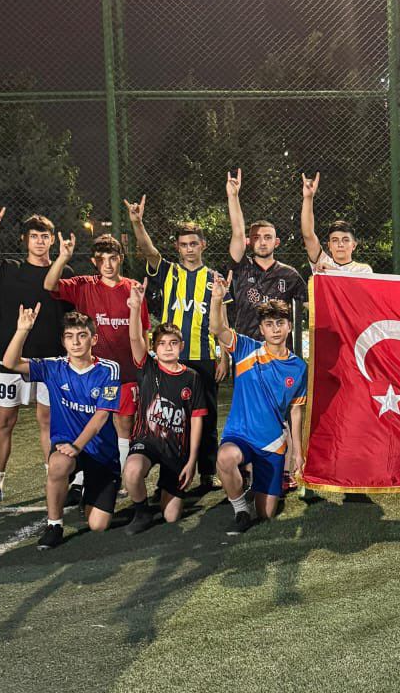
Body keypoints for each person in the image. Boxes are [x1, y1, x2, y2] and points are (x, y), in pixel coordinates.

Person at [0, 206, 63, 507]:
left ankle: (54, 480)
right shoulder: (7, 270)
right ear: (24, 240)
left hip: (50, 361)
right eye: (34, 236)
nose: (40, 241)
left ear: (52, 240)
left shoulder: (61, 273)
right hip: (11, 360)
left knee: (48, 420)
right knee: (5, 420)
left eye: (45, 236)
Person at [0, 304, 122, 550]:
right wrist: (22, 330)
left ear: (93, 339)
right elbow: (10, 362)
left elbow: (101, 416)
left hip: (102, 453)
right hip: (67, 447)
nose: (75, 342)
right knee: (58, 463)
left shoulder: (109, 369)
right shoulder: (54, 367)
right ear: (63, 342)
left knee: (98, 525)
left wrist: (78, 445)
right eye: (69, 336)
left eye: (82, 335)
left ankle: (88, 492)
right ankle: (54, 525)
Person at [125, 196, 226, 491]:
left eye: (194, 243)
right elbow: (148, 250)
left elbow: (223, 319)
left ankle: (207, 471)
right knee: (168, 416)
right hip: (171, 358)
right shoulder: (169, 272)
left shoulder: (215, 278)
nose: (189, 248)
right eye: (184, 245)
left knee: (206, 416)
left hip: (204, 355)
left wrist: (224, 356)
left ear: (203, 245)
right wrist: (137, 222)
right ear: (178, 248)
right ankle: (169, 471)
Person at [43, 229, 149, 473]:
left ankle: (122, 475)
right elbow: (49, 284)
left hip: (125, 372)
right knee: (89, 422)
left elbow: (143, 331)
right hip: (91, 373)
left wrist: (144, 368)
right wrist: (63, 257)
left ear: (121, 258)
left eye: (112, 258)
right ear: (94, 261)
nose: (107, 265)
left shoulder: (134, 288)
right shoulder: (83, 285)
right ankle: (82, 478)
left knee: (124, 422)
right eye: (101, 259)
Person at [208, 279, 308, 535]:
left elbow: (296, 411)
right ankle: (240, 509)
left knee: (266, 513)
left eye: (280, 323)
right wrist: (217, 298)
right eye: (269, 324)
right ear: (261, 329)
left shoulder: (299, 368)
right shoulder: (245, 349)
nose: (275, 329)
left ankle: (258, 482)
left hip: (273, 444)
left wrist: (297, 453)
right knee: (225, 458)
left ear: (289, 326)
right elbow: (217, 328)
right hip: (240, 435)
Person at [122, 280, 205, 534]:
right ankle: (141, 511)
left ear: (181, 346)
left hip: (175, 450)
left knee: (171, 516)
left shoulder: (192, 377)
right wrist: (135, 307)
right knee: (132, 470)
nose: (167, 348)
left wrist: (192, 460)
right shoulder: (148, 367)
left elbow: (196, 420)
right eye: (161, 343)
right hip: (147, 442)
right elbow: (135, 336)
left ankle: (165, 490)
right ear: (154, 347)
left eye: (173, 343)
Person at [225, 169, 308, 350]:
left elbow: (313, 307)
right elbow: (237, 232)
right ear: (248, 241)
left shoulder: (289, 274)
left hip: (279, 352)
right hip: (246, 351)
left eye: (268, 237)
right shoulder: (241, 267)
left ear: (276, 242)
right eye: (256, 237)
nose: (262, 242)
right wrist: (233, 196)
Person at [301, 175, 375, 277]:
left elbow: (356, 286)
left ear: (354, 245)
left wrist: (333, 271)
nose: (340, 244)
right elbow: (308, 235)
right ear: (329, 246)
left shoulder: (364, 270)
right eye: (335, 240)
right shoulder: (322, 262)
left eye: (346, 240)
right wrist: (308, 198)